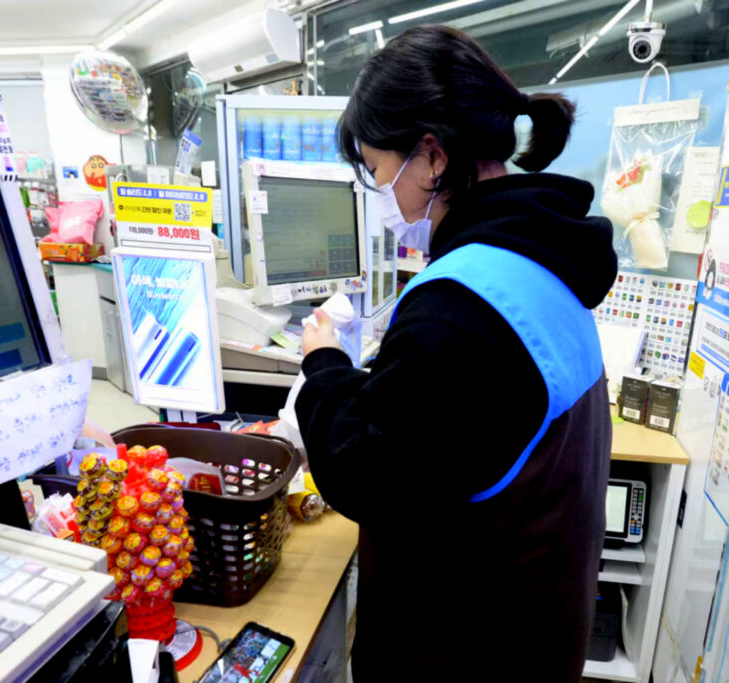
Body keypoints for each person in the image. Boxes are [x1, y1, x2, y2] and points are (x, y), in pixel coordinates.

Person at [296, 25, 616, 682]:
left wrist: (323, 362)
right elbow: (449, 427)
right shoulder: (544, 263)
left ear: (432, 156)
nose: (378, 193)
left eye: (378, 169)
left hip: (462, 652)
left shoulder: (458, 304)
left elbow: (365, 473)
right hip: (536, 637)